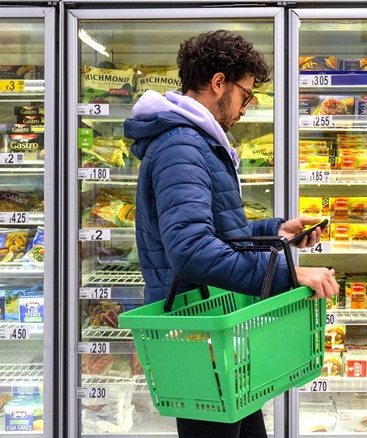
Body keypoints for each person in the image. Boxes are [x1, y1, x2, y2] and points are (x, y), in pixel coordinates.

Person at [124, 29, 339, 438]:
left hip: (216, 319)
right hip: (193, 329)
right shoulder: (180, 147)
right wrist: (288, 275)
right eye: (246, 94)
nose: (245, 107)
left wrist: (275, 231)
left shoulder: (198, 142)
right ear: (218, 83)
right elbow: (190, 250)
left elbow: (216, 230)